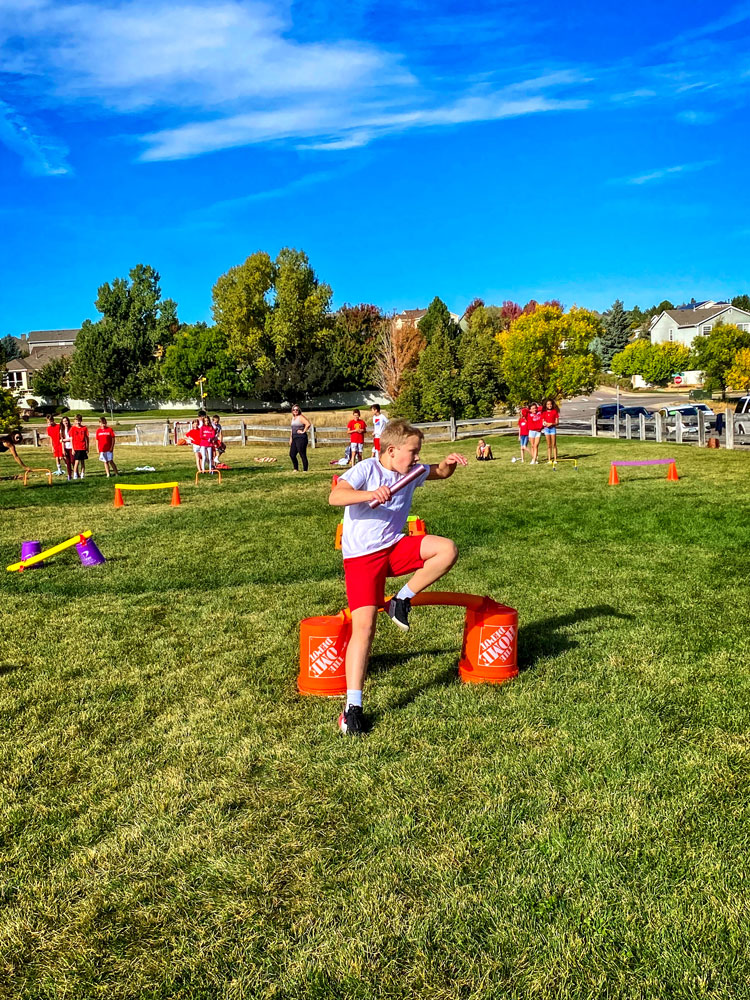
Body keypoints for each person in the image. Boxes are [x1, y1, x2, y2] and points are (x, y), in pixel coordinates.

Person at [329, 418, 468, 736]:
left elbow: (440, 472)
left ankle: (401, 599)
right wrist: (368, 495)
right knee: (364, 628)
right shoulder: (366, 470)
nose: (419, 458)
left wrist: (448, 464)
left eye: (420, 452)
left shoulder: (413, 473)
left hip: (394, 548)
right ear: (392, 450)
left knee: (446, 549)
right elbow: (335, 496)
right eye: (414, 451)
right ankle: (352, 709)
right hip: (362, 560)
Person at [289, 404, 311, 472]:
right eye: (294, 410)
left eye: (297, 410)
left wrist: (303, 431)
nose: (295, 411)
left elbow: (308, 424)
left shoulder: (301, 417)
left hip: (301, 438)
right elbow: (292, 429)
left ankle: (305, 469)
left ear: (299, 410)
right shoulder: (293, 418)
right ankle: (296, 468)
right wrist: (291, 438)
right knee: (292, 454)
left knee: (302, 453)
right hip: (294, 438)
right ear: (292, 411)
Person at [70, 414, 89, 479]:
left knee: (82, 462)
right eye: (76, 420)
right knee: (76, 461)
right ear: (74, 421)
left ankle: (82, 474)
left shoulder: (84, 428)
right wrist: (72, 449)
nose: (78, 422)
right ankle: (75, 474)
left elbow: (87, 438)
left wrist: (87, 447)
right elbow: (71, 439)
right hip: (76, 448)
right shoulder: (73, 428)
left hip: (83, 447)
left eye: (79, 420)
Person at [59, 416, 74, 480]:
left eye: (66, 421)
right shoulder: (61, 430)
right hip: (66, 448)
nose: (65, 422)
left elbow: (71, 438)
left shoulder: (71, 428)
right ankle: (69, 475)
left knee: (73, 461)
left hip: (71, 447)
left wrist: (64, 440)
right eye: (64, 421)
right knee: (68, 462)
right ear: (62, 422)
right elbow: (61, 440)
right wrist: (63, 449)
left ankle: (76, 473)